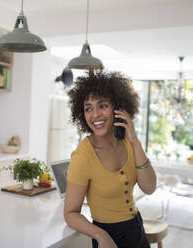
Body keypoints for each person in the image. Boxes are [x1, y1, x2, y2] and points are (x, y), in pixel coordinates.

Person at [64, 70, 156, 248]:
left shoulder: (129, 143)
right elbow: (70, 213)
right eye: (88, 108)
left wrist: (135, 141)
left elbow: (149, 187)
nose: (95, 114)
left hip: (137, 230)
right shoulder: (83, 156)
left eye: (102, 105)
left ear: (118, 108)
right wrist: (100, 234)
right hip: (109, 237)